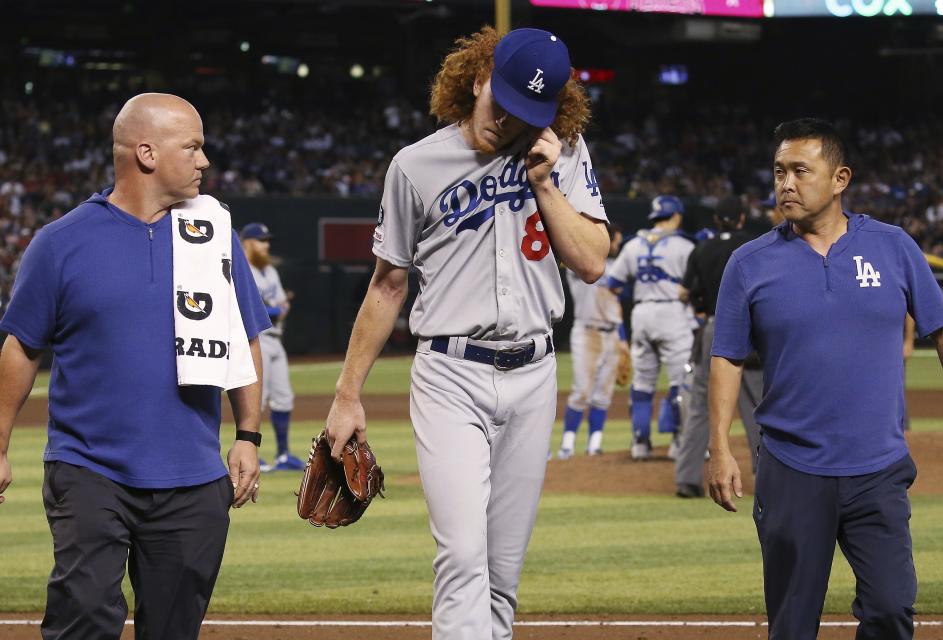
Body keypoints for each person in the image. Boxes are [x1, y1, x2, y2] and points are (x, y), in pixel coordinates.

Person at [323, 27, 608, 640]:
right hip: (451, 374)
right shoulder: (416, 166)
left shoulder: (564, 152)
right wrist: (348, 394)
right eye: (498, 101)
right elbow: (386, 286)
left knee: (503, 572)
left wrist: (544, 184)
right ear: (478, 78)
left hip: (534, 375)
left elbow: (591, 261)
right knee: (461, 558)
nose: (506, 120)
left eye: (524, 113)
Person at [0, 93, 271, 639]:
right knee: (83, 619)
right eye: (192, 147)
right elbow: (21, 348)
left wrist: (247, 435)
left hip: (193, 478)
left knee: (173, 629)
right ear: (146, 152)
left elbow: (242, 338)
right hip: (90, 470)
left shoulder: (213, 236)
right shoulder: (60, 243)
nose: (205, 161)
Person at [708, 117, 943, 639]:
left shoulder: (894, 247)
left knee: (891, 609)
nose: (786, 184)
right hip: (792, 468)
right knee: (793, 625)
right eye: (779, 171)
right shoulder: (748, 263)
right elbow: (727, 357)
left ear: (840, 178)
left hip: (878, 467)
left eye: (801, 170)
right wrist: (719, 446)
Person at [674, 196, 762, 498]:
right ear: (741, 219)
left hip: (712, 327)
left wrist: (701, 305)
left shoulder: (701, 249)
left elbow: (684, 292)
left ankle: (686, 479)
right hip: (750, 330)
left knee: (700, 405)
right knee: (759, 405)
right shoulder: (754, 247)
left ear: (716, 221)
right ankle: (767, 476)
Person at [608, 195, 695, 460]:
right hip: (673, 313)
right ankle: (680, 442)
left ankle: (640, 443)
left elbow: (614, 284)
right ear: (677, 216)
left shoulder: (633, 245)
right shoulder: (684, 246)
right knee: (681, 381)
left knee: (643, 382)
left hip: (642, 312)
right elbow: (695, 286)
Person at [557, 224, 626, 459]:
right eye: (615, 240)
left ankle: (594, 445)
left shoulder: (619, 268)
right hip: (587, 333)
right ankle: (567, 445)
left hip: (613, 333)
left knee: (603, 394)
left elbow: (616, 307)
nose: (617, 245)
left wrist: (624, 339)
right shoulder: (582, 266)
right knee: (582, 391)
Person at [241, 222, 304, 471]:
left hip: (277, 340)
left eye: (267, 240)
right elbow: (246, 306)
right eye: (261, 240)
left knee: (284, 397)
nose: (266, 245)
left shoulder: (270, 271)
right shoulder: (242, 268)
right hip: (256, 340)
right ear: (247, 242)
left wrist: (277, 308)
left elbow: (281, 307)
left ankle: (283, 454)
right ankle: (251, 453)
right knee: (258, 398)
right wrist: (274, 309)